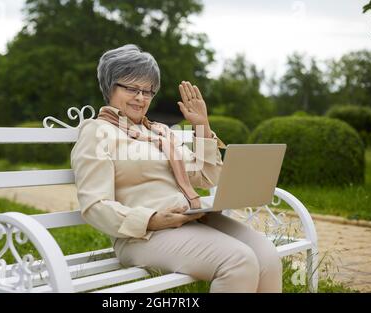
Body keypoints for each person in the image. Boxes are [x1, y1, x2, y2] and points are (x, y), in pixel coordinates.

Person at [71, 44, 282, 292]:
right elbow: (95, 206)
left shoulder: (160, 132)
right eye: (131, 88)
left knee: (266, 255)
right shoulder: (97, 132)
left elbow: (206, 177)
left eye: (148, 91)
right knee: (238, 261)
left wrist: (202, 126)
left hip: (191, 220)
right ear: (110, 87)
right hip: (141, 236)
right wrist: (152, 220)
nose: (141, 98)